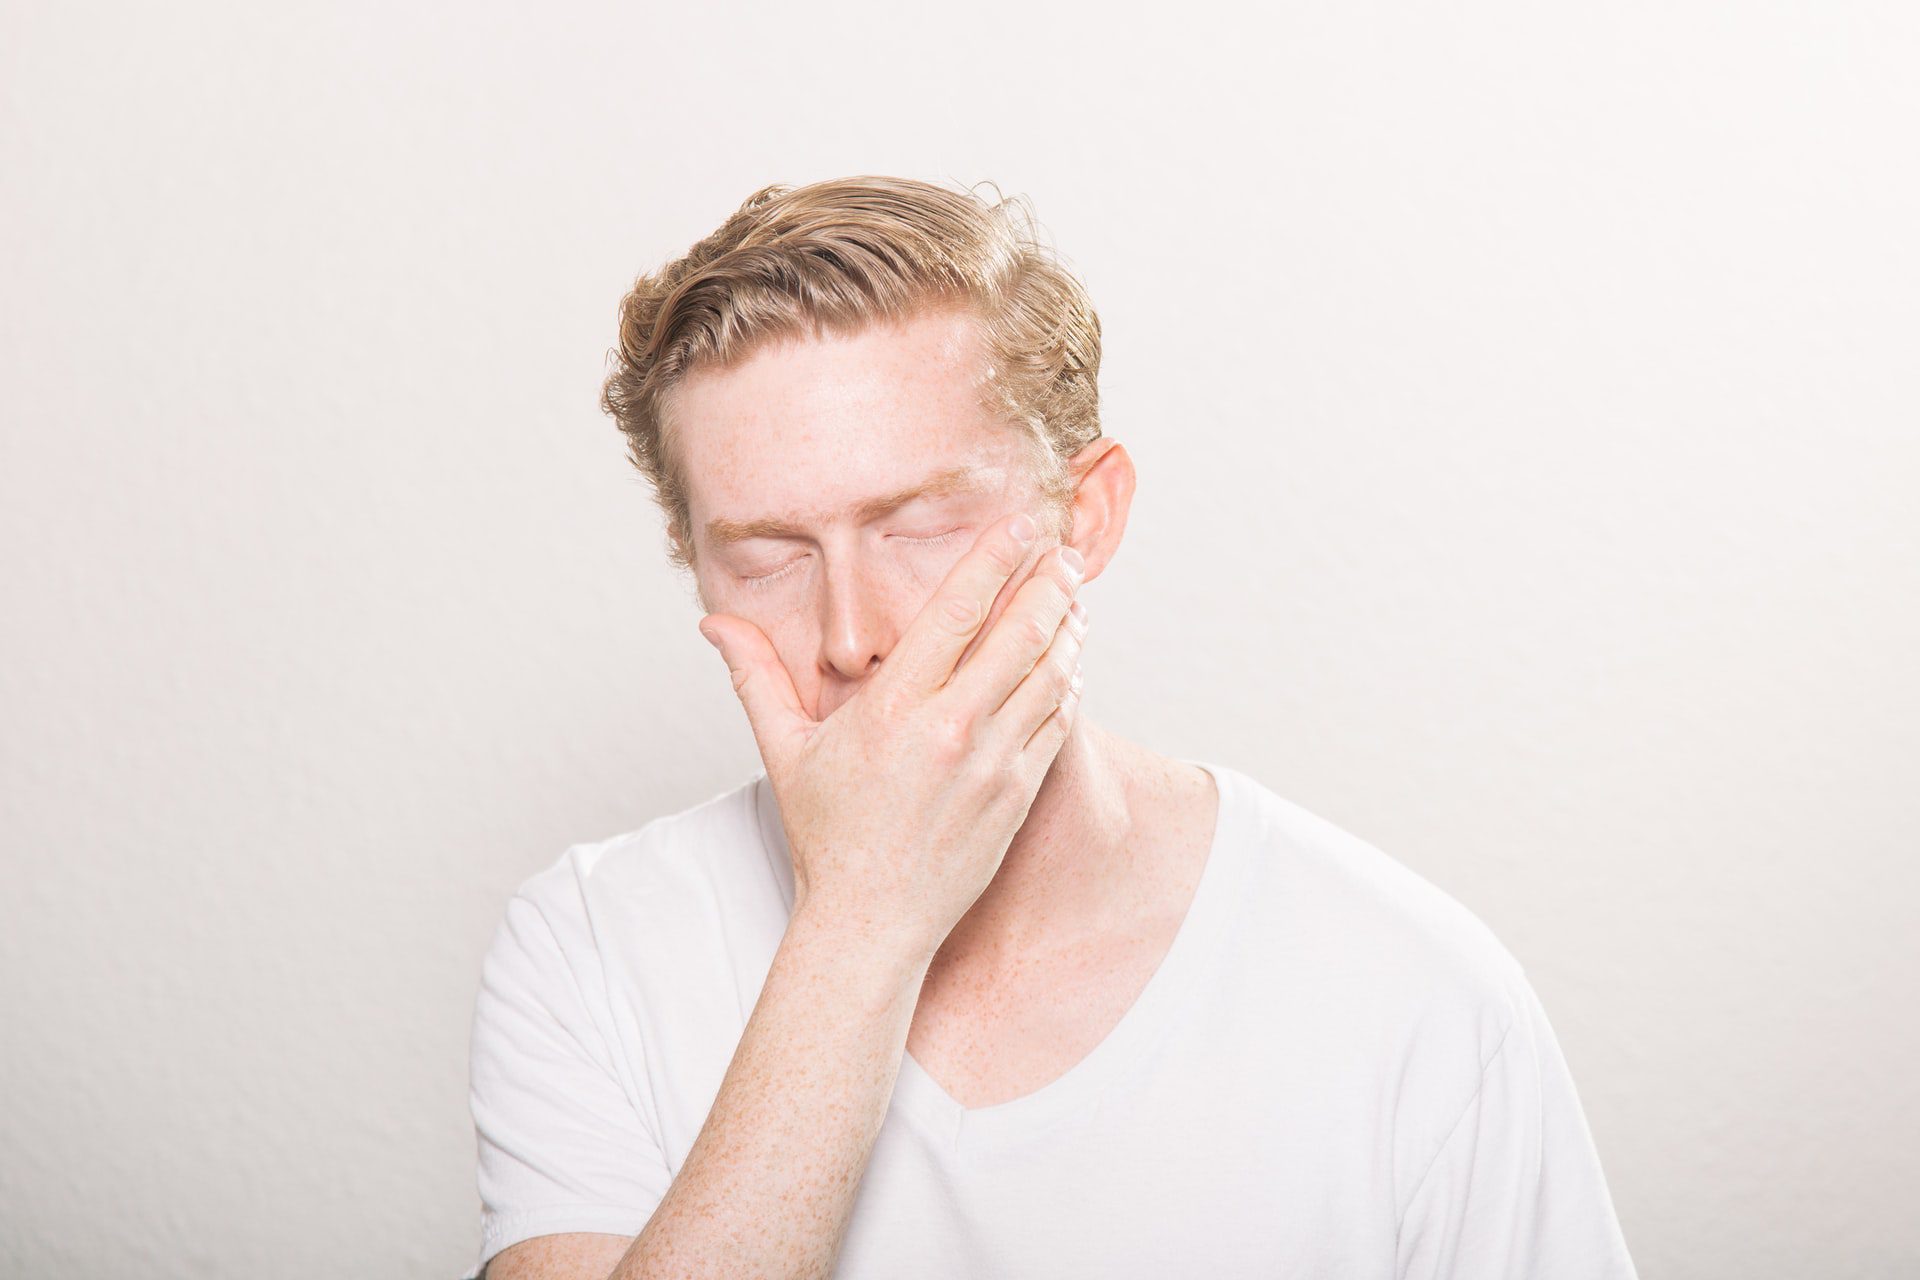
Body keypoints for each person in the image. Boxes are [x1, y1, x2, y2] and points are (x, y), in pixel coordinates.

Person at [465, 175, 1638, 1280]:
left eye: (917, 522)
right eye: (766, 553)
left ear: (1086, 515)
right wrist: (864, 916)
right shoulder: (590, 949)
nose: (851, 635)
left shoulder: (1418, 995)